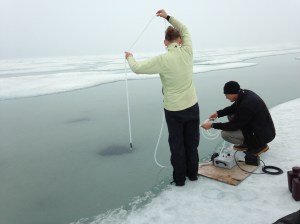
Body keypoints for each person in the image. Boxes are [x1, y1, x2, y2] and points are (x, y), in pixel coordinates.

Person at [125, 9, 200, 186]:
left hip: (174, 110)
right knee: (191, 142)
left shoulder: (163, 59)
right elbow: (185, 28)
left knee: (177, 146)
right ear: (180, 40)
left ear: (165, 42)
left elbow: (137, 69)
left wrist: (130, 58)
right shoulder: (187, 51)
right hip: (192, 106)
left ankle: (180, 180)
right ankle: (193, 175)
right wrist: (167, 17)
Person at [201, 81, 276, 165]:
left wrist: (212, 125)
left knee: (225, 134)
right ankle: (248, 142)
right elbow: (233, 108)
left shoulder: (247, 104)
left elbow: (232, 126)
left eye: (226, 95)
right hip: (263, 128)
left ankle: (258, 145)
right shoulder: (244, 94)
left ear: (232, 93)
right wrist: (218, 113)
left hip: (263, 135)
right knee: (231, 115)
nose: (226, 97)